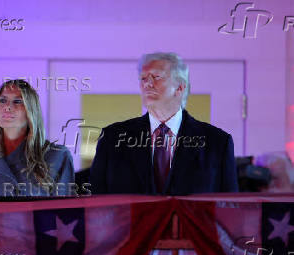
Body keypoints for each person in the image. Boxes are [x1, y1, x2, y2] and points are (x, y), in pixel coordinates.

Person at [90, 52, 238, 195]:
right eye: (143, 78)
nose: (147, 84)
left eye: (156, 76)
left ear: (180, 87)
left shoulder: (218, 143)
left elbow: (229, 210)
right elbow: (95, 209)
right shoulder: (112, 138)